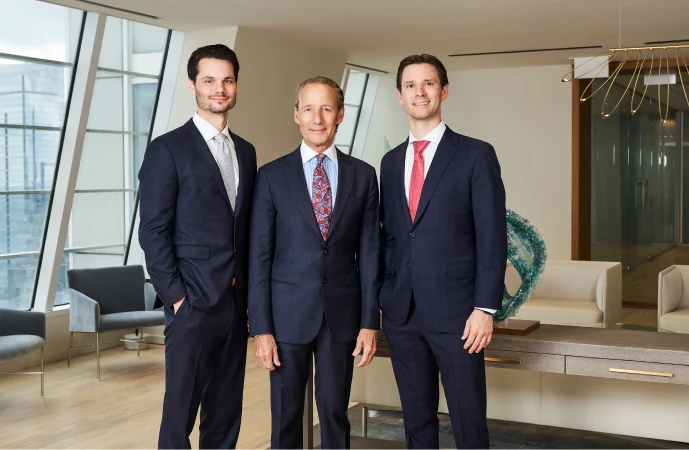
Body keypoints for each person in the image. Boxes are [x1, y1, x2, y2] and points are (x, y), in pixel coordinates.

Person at [378, 54, 507, 449]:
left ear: (444, 91)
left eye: (428, 83)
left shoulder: (475, 154)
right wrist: (384, 295)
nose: (420, 92)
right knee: (416, 423)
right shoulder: (390, 162)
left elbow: (492, 236)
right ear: (400, 96)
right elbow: (391, 236)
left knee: (469, 423)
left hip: (460, 317)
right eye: (410, 85)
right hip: (403, 315)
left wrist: (484, 309)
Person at [248, 76, 381, 449]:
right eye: (308, 109)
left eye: (326, 109)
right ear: (296, 114)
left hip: (342, 315)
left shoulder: (363, 176)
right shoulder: (271, 176)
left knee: (335, 412)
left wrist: (369, 322)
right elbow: (259, 256)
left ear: (340, 114)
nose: (317, 118)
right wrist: (261, 329)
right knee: (286, 415)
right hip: (286, 316)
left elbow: (370, 253)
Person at [138, 44, 256, 449]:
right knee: (180, 415)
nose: (219, 89)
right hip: (191, 303)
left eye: (227, 80)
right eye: (209, 80)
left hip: (235, 304)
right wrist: (176, 298)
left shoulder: (246, 151)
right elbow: (153, 232)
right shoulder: (167, 149)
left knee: (225, 412)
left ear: (236, 86)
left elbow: (244, 228)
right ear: (193, 86)